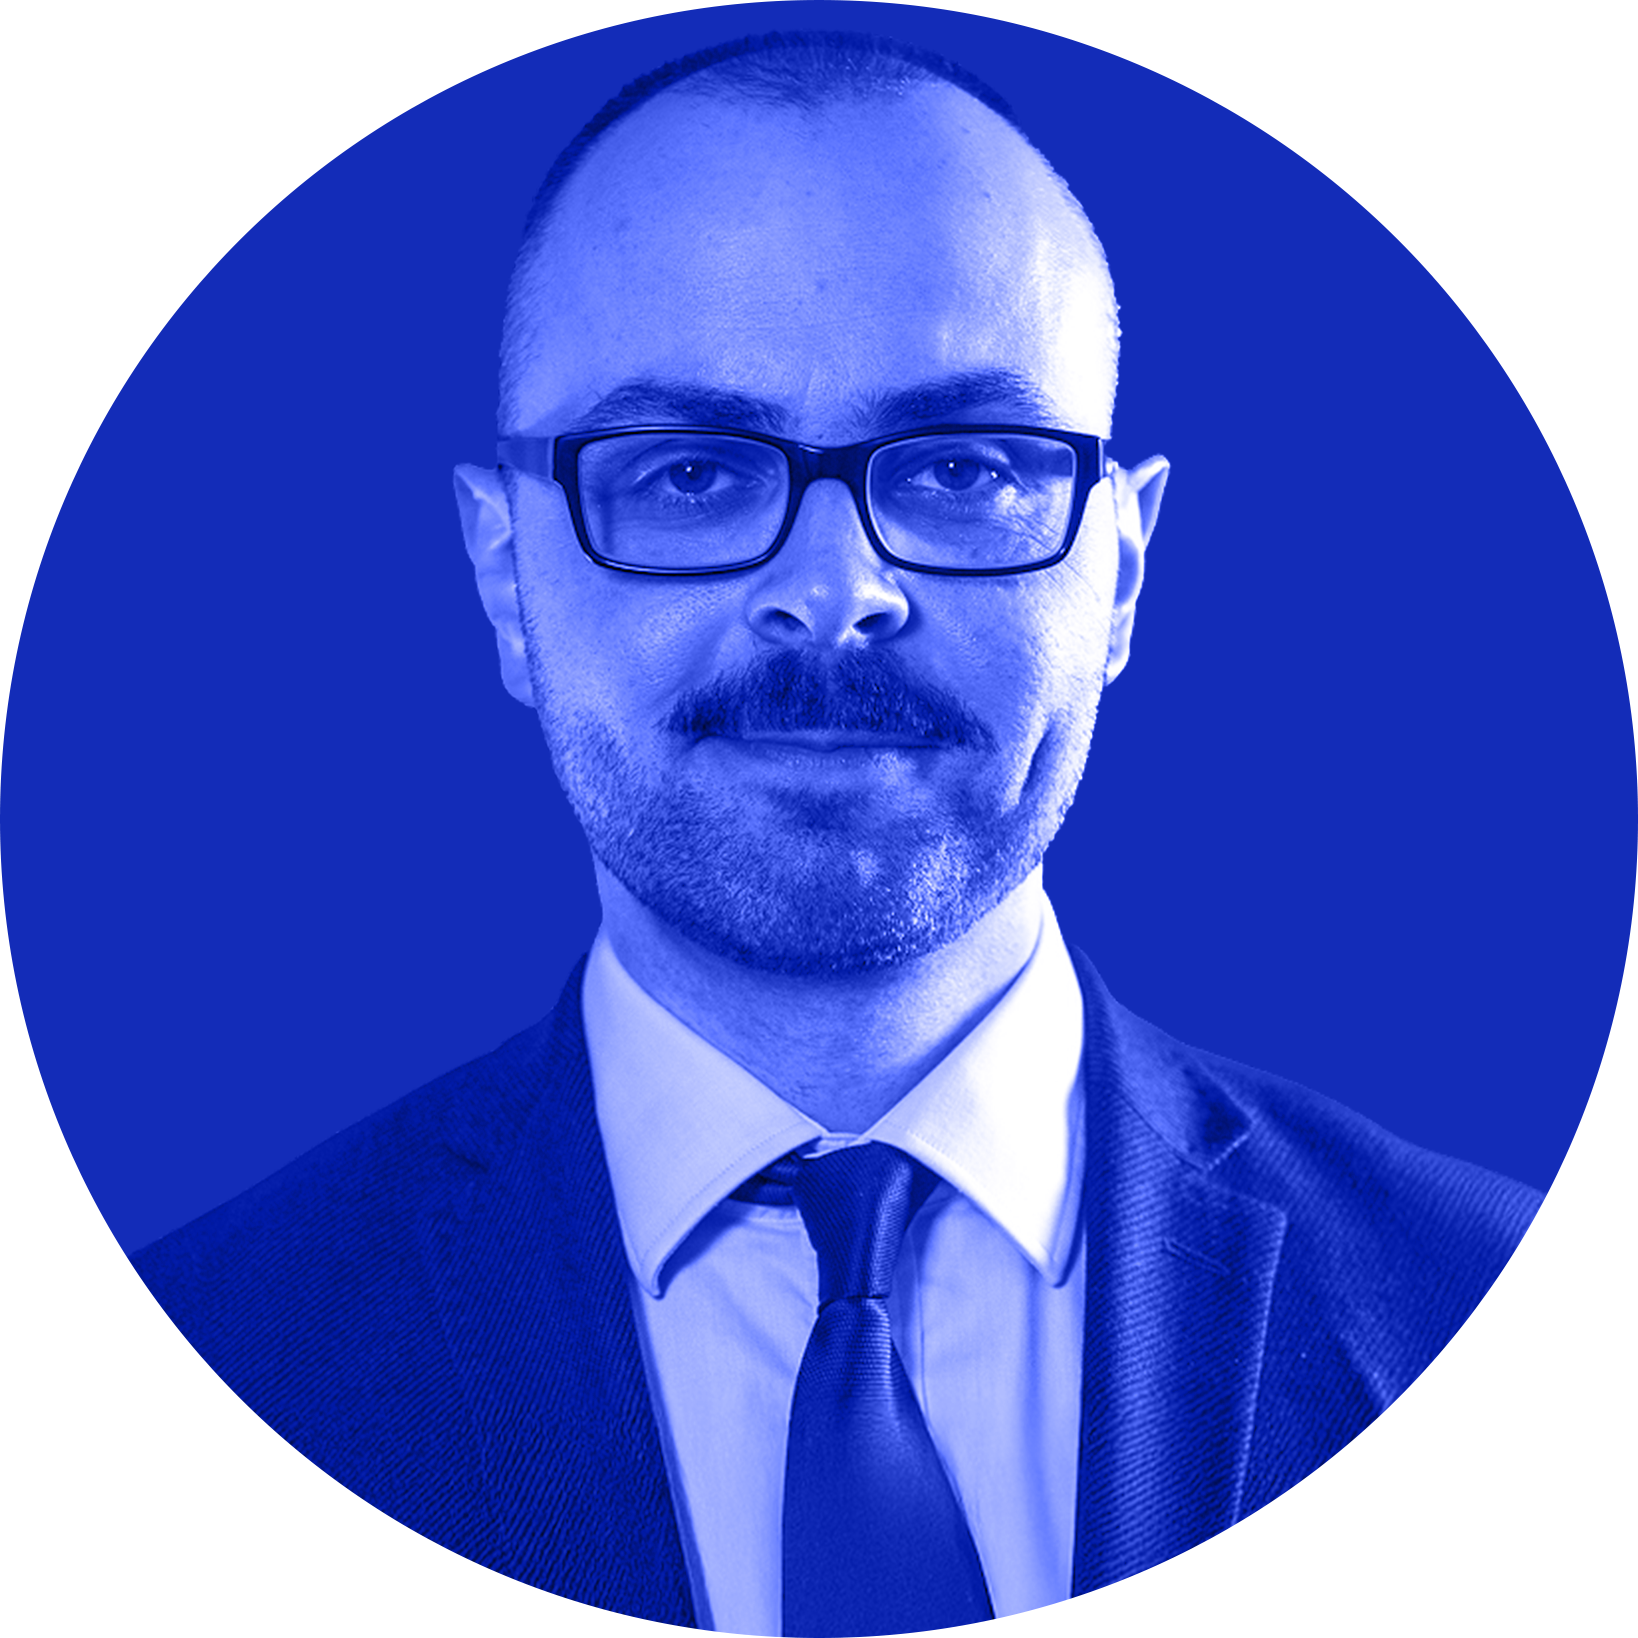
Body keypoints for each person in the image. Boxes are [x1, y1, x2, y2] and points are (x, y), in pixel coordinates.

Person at [2, 29, 1634, 1637]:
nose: (836, 590)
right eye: (689, 474)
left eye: (967, 469)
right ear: (505, 576)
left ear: (1122, 572)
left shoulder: (1569, 1378)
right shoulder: (141, 1426)